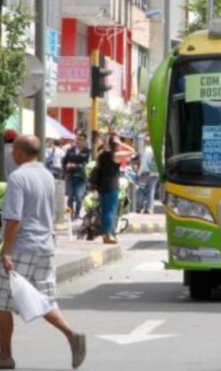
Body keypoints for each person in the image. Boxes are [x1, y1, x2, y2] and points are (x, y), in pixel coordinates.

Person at [0, 135, 86, 369]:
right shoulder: (48, 176)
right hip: (45, 246)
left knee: (2, 303)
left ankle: (5, 356)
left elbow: (14, 218)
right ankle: (71, 334)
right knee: (44, 299)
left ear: (18, 151)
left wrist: (6, 251)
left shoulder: (18, 178)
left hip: (22, 247)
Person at [94, 134, 136, 245]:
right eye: (119, 145)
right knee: (110, 211)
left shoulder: (101, 154)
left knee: (104, 210)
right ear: (116, 146)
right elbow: (132, 151)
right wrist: (121, 143)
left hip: (101, 185)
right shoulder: (116, 155)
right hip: (111, 185)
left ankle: (105, 234)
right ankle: (108, 235)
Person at [62, 131, 91, 219]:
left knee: (79, 197)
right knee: (69, 197)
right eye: (77, 139)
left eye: (81, 140)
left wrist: (77, 166)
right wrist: (65, 171)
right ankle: (69, 215)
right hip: (70, 176)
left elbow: (88, 164)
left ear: (85, 141)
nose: (78, 141)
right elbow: (64, 161)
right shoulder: (70, 150)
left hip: (81, 177)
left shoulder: (88, 152)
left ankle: (77, 214)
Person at [136, 135, 158, 214]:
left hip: (145, 173)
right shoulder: (157, 149)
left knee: (141, 189)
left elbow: (144, 163)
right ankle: (149, 208)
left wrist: (139, 173)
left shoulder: (147, 150)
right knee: (151, 190)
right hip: (155, 173)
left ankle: (139, 207)